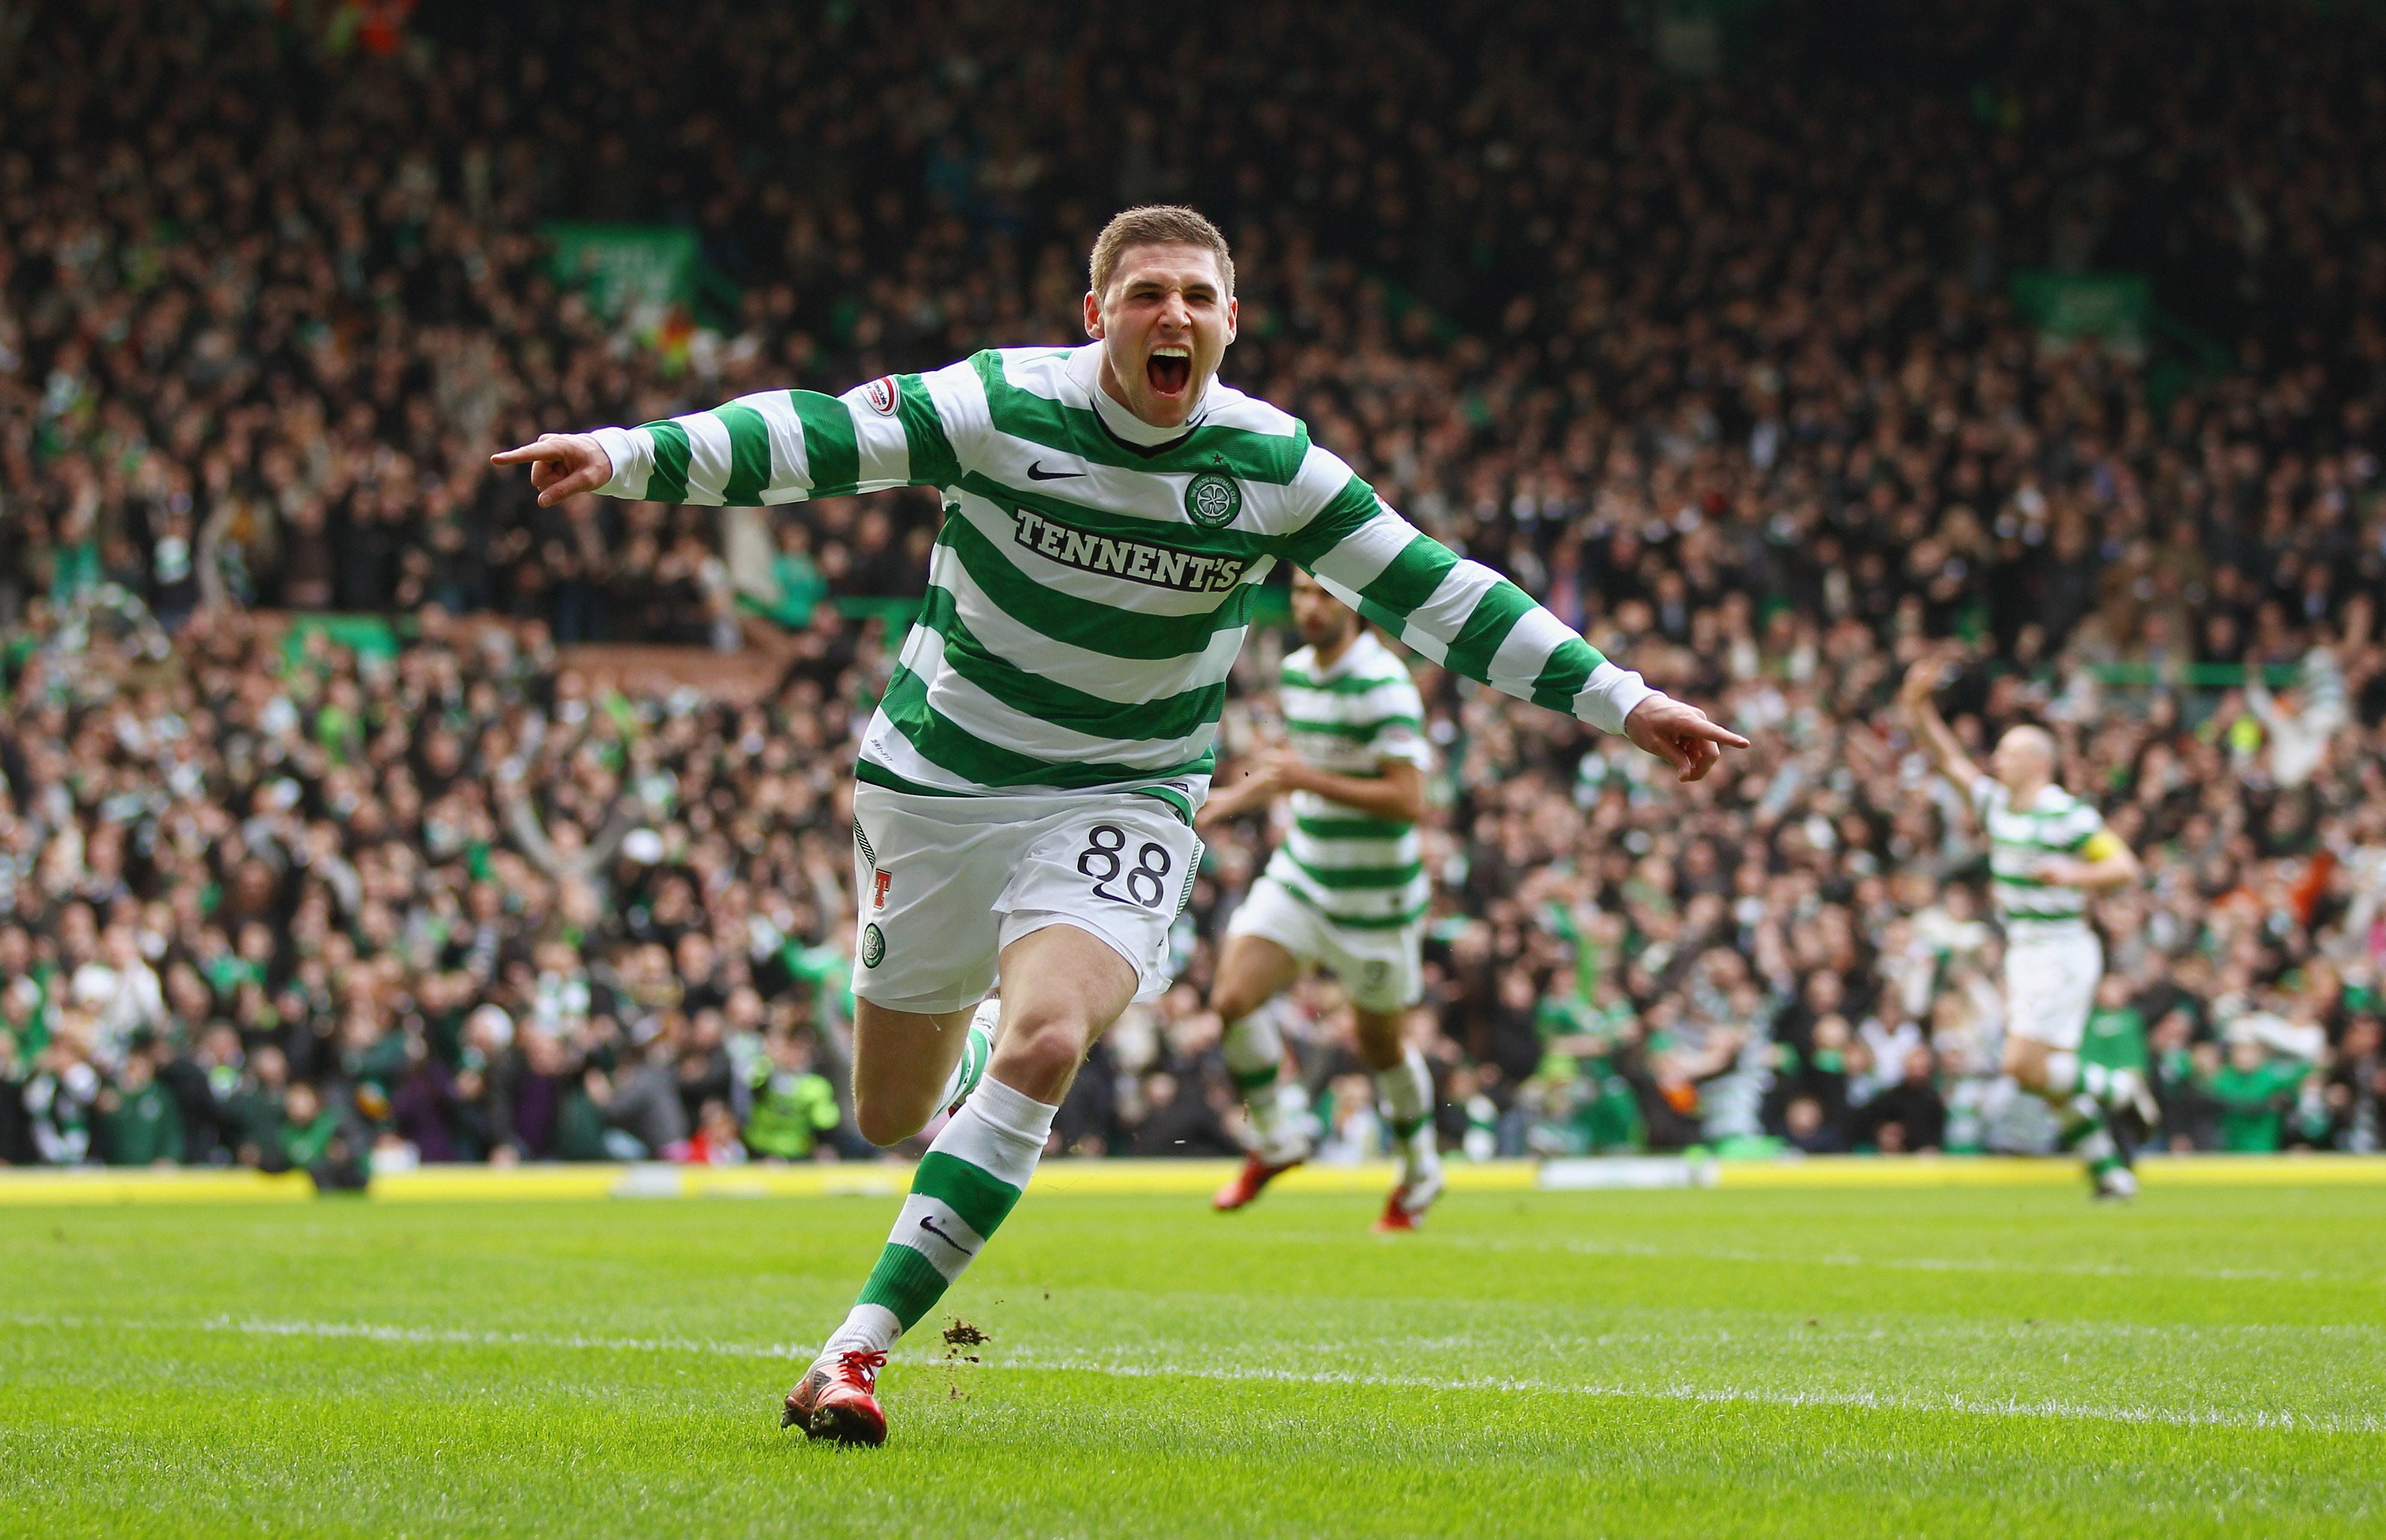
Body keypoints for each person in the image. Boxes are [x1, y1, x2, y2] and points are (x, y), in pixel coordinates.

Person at [493, 204, 1747, 1447]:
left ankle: (853, 1350)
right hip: (939, 785)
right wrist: (628, 451)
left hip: (1125, 790)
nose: (1175, 316)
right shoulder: (1002, 404)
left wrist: (1620, 698)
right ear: (1096, 314)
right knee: (889, 1109)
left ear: (1229, 324)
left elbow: (1435, 588)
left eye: (1199, 298)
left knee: (1049, 1037)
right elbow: (819, 432)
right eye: (1148, 292)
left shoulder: (1271, 465)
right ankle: (971, 1037)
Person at [1200, 569, 1442, 1229]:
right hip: (1306, 875)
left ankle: (1421, 1170)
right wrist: (1229, 802)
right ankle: (1279, 1139)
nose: (1307, 606)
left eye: (1323, 596)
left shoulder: (1384, 684)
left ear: (1356, 605)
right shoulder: (1300, 671)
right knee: (1232, 999)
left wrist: (1307, 777)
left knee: (1380, 1045)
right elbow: (1293, 767)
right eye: (1302, 593)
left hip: (1375, 901)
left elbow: (1407, 801)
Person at [1900, 658, 2147, 1197]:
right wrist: (1916, 706)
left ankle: (2120, 1087)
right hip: (2026, 950)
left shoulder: (2066, 815)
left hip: (2060, 949)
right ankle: (2109, 1174)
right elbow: (1950, 761)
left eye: (2009, 753)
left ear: (2039, 763)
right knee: (2043, 1074)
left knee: (2021, 1065)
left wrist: (2074, 872)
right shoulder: (1996, 806)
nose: (1997, 760)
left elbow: (2124, 866)